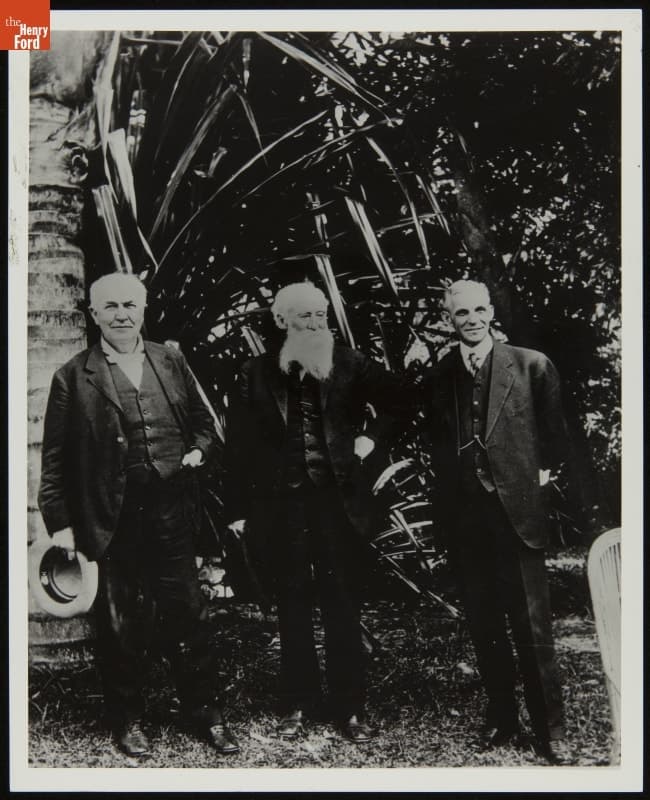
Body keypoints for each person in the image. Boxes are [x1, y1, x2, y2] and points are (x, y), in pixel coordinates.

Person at [38, 272, 239, 758]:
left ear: (144, 309)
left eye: (130, 305)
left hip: (171, 513)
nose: (122, 314)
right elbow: (55, 459)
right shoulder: (73, 375)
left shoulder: (170, 360)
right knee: (121, 624)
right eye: (110, 307)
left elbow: (205, 425)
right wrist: (61, 524)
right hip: (113, 520)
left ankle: (206, 716)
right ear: (94, 314)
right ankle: (127, 720)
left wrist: (198, 452)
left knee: (189, 615)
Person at [224, 281, 404, 743]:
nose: (316, 323)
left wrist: (371, 440)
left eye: (321, 315)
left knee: (342, 603)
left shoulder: (350, 362)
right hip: (280, 507)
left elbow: (399, 400)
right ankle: (297, 703)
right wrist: (239, 510)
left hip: (337, 505)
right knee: (293, 605)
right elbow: (239, 447)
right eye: (305, 316)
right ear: (281, 321)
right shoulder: (254, 372)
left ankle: (350, 709)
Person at [421, 279, 574, 765]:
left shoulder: (531, 366)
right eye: (460, 313)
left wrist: (531, 483)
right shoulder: (441, 375)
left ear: (491, 312)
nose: (471, 319)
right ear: (449, 319)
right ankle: (502, 718)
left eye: (479, 310)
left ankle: (552, 731)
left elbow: (555, 439)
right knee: (485, 624)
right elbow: (436, 442)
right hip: (466, 522)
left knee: (532, 628)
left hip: (518, 518)